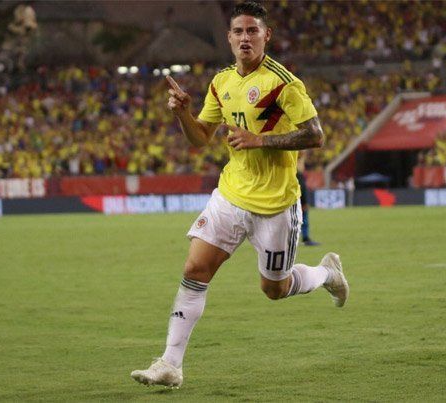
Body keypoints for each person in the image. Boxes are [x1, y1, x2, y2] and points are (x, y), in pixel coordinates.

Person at [131, 1, 349, 388]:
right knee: (195, 270)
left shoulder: (283, 83)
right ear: (229, 38)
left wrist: (260, 139)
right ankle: (170, 365)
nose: (245, 38)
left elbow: (315, 135)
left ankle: (327, 273)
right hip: (231, 195)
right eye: (238, 31)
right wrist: (183, 114)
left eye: (252, 31)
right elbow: (201, 138)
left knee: (274, 289)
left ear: (266, 36)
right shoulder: (221, 83)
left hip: (276, 204)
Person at [297, 151, 319, 246]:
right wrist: (304, 202)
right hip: (296, 177)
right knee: (303, 213)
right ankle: (305, 237)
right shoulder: (297, 170)